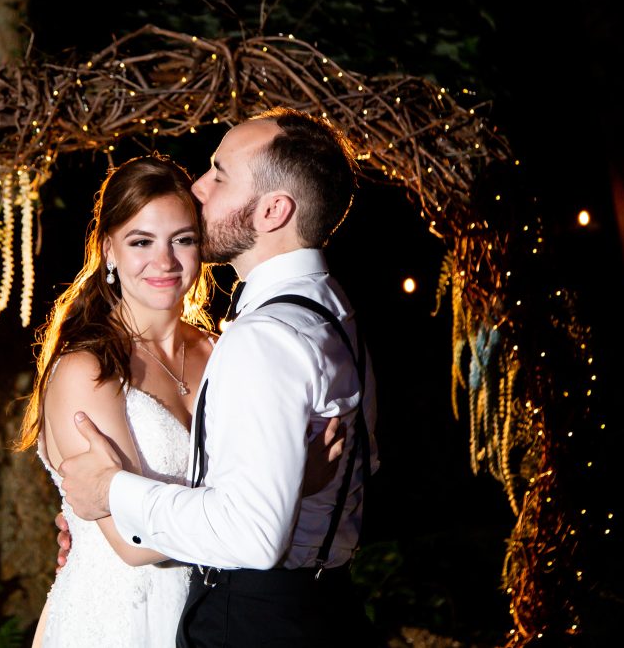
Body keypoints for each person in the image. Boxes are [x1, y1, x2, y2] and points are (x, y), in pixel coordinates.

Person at [58, 107, 382, 647]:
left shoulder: (259, 338)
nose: (198, 186)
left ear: (274, 210)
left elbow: (253, 531)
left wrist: (112, 491)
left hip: (256, 614)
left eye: (218, 173)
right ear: (109, 248)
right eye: (140, 241)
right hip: (299, 603)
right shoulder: (333, 311)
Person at [18, 154, 216, 648]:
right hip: (117, 621)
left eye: (182, 240)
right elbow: (134, 539)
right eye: (141, 241)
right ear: (108, 249)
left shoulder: (220, 352)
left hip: (211, 614)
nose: (165, 261)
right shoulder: (87, 371)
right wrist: (264, 505)